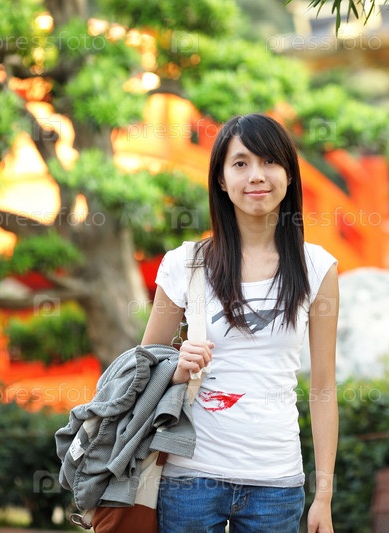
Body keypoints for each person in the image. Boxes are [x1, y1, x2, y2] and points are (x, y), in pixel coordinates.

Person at [141, 113, 339, 533]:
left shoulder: (317, 267)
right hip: (190, 478)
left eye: (270, 162)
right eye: (241, 163)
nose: (257, 176)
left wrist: (323, 496)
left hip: (276, 484)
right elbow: (142, 367)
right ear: (220, 178)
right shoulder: (185, 264)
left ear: (289, 174)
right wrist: (177, 367)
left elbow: (323, 388)